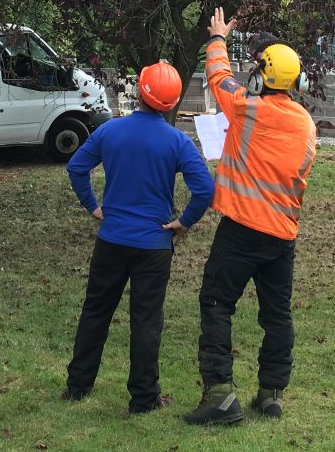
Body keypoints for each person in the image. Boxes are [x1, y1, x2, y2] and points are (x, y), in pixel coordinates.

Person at [184, 8, 317, 425]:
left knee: (217, 303)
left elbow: (219, 79)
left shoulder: (247, 108)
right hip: (282, 236)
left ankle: (221, 395)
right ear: (298, 82)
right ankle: (272, 392)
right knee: (277, 314)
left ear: (259, 78)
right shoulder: (307, 125)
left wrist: (218, 38)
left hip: (241, 230)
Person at [63, 60, 215, 415]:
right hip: (154, 246)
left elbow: (76, 167)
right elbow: (205, 189)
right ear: (173, 99)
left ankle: (77, 386)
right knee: (146, 321)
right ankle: (144, 399)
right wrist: (184, 222)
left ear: (139, 92)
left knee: (96, 312)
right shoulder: (177, 141)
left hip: (112, 239)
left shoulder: (110, 131)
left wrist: (93, 206)